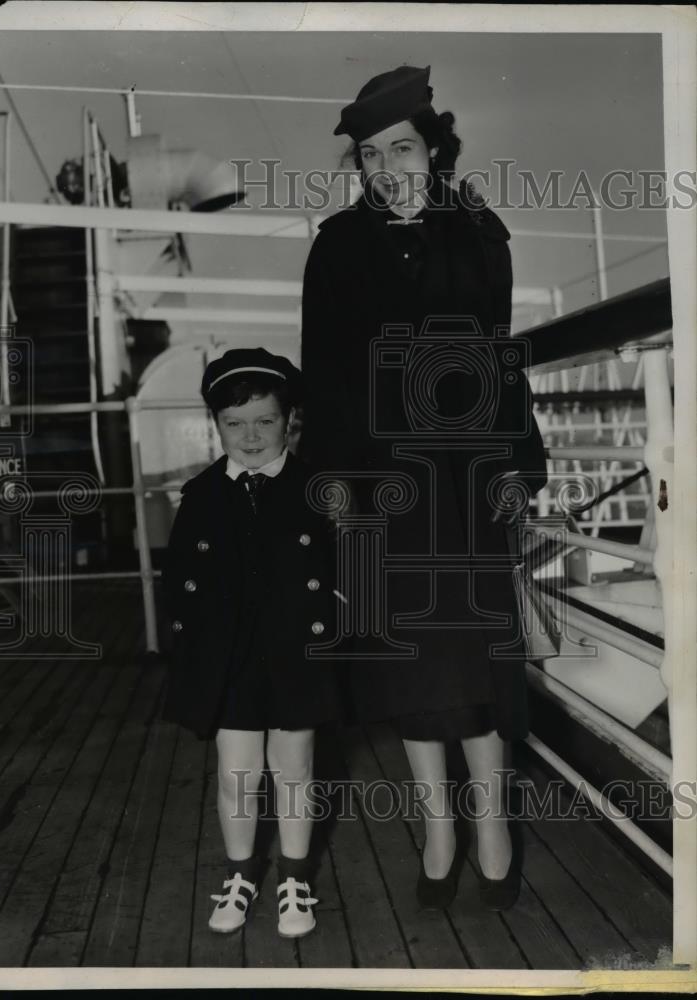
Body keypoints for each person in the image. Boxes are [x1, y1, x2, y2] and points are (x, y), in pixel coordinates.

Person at [298, 65, 549, 911]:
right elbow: (324, 374)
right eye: (368, 155)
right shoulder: (335, 244)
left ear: (434, 149)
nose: (383, 167)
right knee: (406, 664)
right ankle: (438, 831)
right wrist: (334, 487)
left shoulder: (479, 233)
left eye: (399, 148)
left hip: (469, 475)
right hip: (381, 484)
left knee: (474, 657)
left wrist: (521, 463)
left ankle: (491, 828)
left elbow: (499, 357)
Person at [161, 348, 340, 938]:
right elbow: (181, 588)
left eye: (265, 420)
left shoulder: (320, 490)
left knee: (295, 767)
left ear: (289, 419)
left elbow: (350, 576)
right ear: (215, 426)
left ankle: (294, 875)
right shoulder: (202, 495)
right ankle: (240, 873)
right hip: (230, 660)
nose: (251, 435)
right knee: (237, 771)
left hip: (297, 654)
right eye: (234, 424)